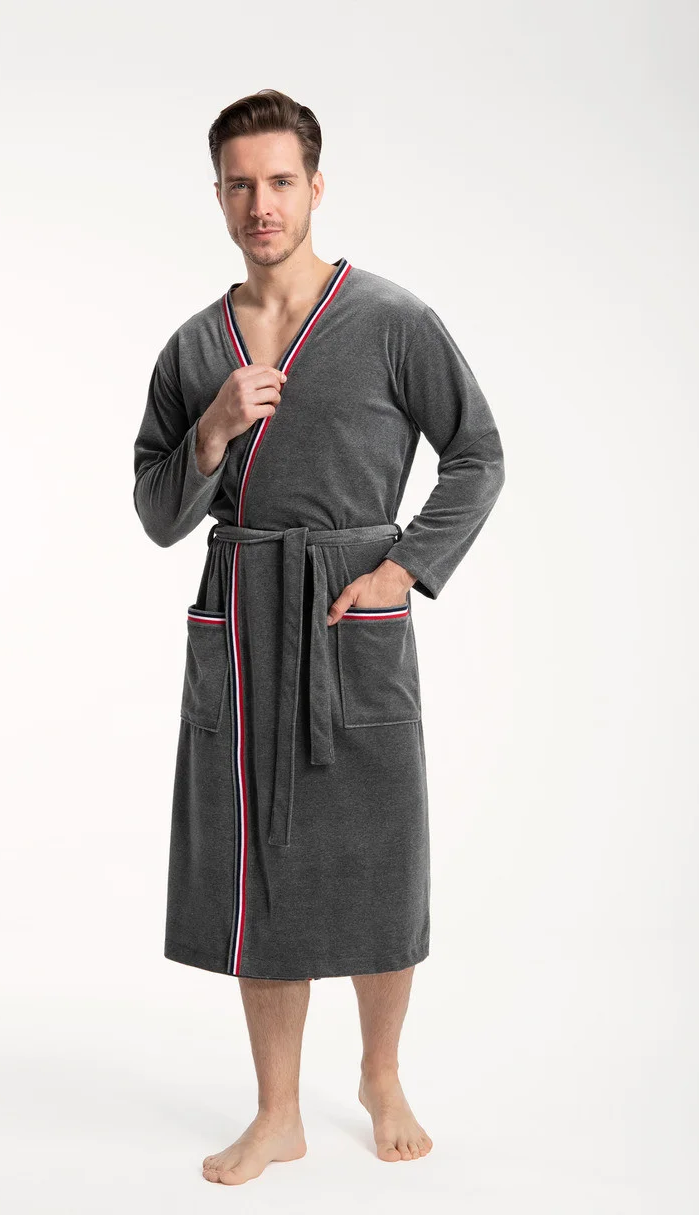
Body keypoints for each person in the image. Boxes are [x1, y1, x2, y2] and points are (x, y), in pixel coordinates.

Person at [132, 88, 506, 1186]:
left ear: (316, 188)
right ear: (217, 195)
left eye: (281, 182)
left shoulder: (391, 321)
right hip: (243, 618)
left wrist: (404, 567)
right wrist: (212, 429)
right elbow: (156, 512)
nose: (262, 204)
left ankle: (381, 1076)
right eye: (241, 184)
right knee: (261, 860)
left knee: (381, 854)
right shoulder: (193, 348)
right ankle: (278, 1111)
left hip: (354, 617)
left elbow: (477, 454)